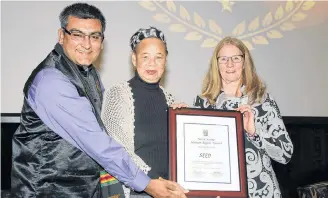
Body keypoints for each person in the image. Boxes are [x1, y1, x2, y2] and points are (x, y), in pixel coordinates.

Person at [11, 3, 187, 198]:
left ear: (102, 41)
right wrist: (147, 183)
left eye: (94, 36)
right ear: (62, 36)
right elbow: (99, 142)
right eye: (77, 34)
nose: (87, 44)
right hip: (46, 190)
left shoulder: (88, 73)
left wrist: (180, 116)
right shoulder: (51, 81)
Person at [193, 37, 294, 198]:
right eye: (224, 59)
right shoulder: (203, 103)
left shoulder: (262, 100)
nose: (230, 64)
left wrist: (255, 133)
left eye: (236, 58)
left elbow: (285, 154)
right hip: (218, 192)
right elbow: (196, 152)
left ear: (245, 62)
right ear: (216, 64)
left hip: (261, 191)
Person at [100, 26, 188, 198]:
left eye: (158, 57)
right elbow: (118, 148)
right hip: (137, 191)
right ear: (134, 59)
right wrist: (155, 182)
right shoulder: (117, 94)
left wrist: (186, 121)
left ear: (165, 61)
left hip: (170, 191)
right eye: (145, 57)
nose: (152, 63)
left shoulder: (171, 100)